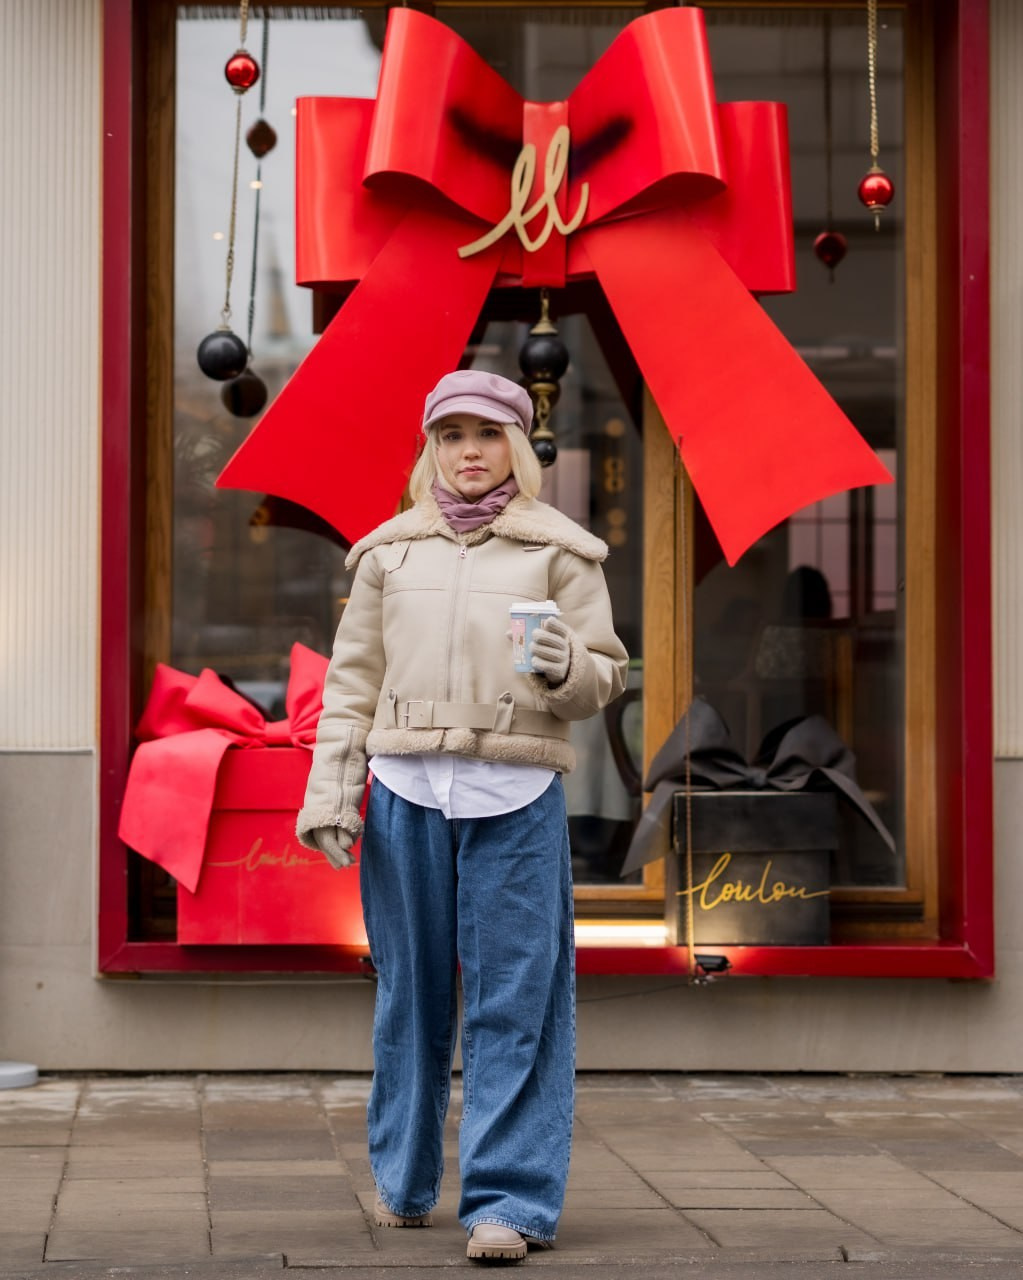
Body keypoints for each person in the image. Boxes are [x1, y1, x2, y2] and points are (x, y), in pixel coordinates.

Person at [296, 369, 628, 1263]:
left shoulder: (562, 554)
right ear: (429, 449)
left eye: (486, 434)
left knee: (516, 1004)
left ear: (516, 447)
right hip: (404, 794)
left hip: (513, 799)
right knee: (409, 998)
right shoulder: (386, 556)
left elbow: (605, 677)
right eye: (450, 436)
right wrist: (330, 791)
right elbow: (350, 685)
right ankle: (403, 1183)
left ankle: (507, 1206)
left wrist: (567, 663)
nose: (468, 452)